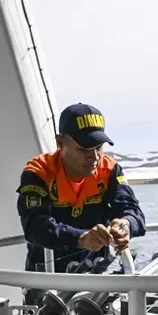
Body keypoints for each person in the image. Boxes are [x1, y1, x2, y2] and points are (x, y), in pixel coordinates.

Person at [16, 103, 146, 275]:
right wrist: (81, 238)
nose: (94, 156)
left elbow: (133, 211)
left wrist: (126, 225)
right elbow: (34, 226)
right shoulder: (39, 172)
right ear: (60, 143)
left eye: (98, 147)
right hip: (47, 274)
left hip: (98, 270)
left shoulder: (108, 169)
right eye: (84, 148)